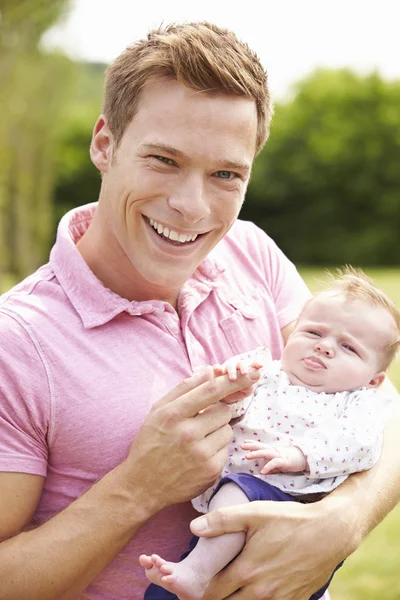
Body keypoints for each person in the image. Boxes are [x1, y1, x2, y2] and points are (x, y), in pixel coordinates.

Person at [0, 21, 399, 600]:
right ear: (105, 144)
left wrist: (344, 520)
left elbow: (381, 405)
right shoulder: (17, 343)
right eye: (164, 160)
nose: (191, 207)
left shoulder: (250, 251)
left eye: (225, 175)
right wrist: (136, 488)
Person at [140, 268, 400, 600]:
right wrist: (229, 390)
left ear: (374, 380)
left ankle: (196, 572)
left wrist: (300, 456)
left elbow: (360, 443)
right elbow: (227, 408)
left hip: (294, 506)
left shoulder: (358, 402)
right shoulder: (266, 374)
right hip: (233, 509)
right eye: (313, 333)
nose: (325, 348)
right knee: (166, 591)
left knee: (239, 505)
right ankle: (190, 576)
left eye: (349, 347)